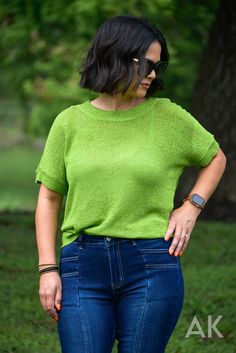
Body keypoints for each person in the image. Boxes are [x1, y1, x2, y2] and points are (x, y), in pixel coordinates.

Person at [34, 15, 227, 353]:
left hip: (152, 266)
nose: (153, 73)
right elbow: (49, 201)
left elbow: (216, 158)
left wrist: (190, 207)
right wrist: (48, 269)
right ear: (115, 56)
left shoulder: (168, 117)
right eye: (146, 63)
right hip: (81, 267)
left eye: (158, 64)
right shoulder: (69, 123)